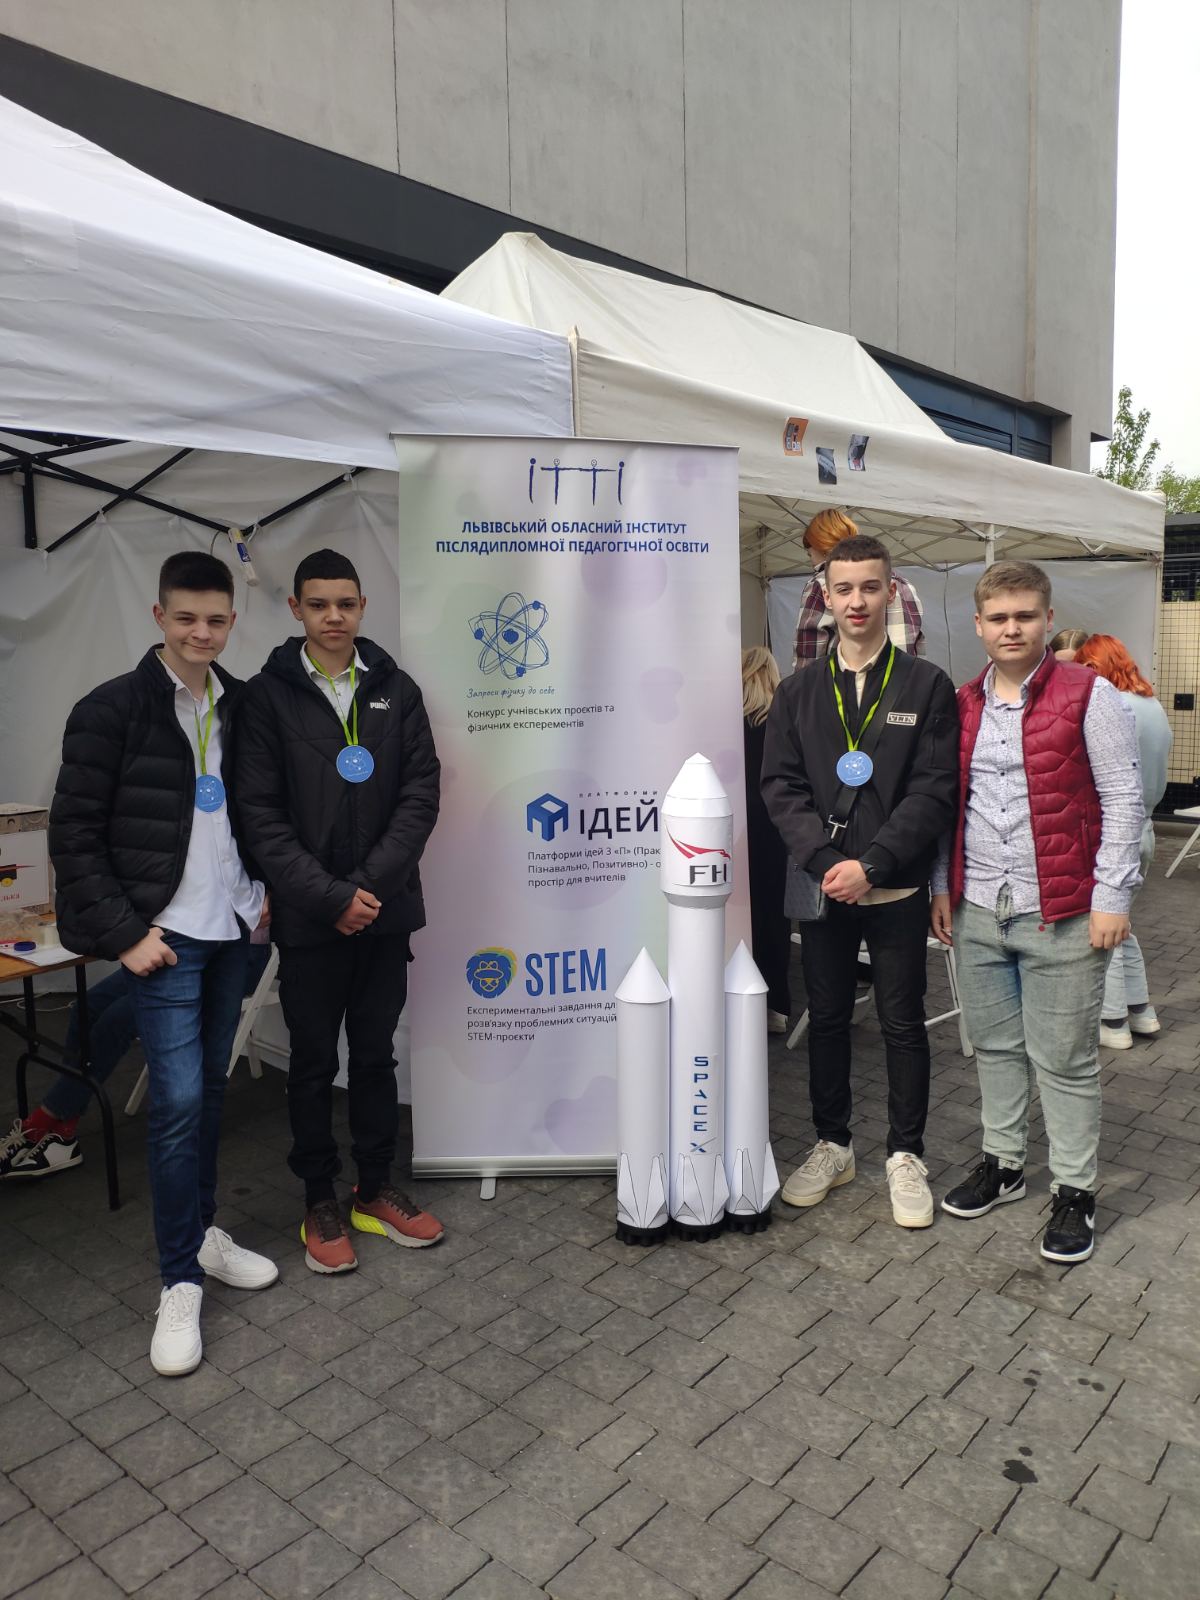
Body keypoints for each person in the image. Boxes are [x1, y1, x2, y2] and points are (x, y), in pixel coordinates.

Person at [48, 552, 278, 1377]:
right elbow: (73, 836)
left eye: (215, 620)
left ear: (232, 621)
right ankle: (179, 1278)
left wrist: (262, 893)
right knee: (177, 1104)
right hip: (164, 940)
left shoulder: (242, 705)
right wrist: (124, 935)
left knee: (208, 1091)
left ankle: (204, 1232)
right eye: (186, 618)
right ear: (159, 618)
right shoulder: (110, 709)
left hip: (231, 930)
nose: (201, 633)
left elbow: (256, 813)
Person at [236, 548, 443, 1274]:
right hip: (311, 919)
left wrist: (365, 891)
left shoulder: (396, 689)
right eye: (319, 604)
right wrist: (330, 898)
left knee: (377, 1054)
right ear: (296, 608)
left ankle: (375, 1189)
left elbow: (420, 796)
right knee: (314, 1062)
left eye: (346, 604)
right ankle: (319, 1197)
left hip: (383, 913)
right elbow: (259, 816)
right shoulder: (265, 699)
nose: (334, 617)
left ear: (362, 607)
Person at [932, 563, 1144, 1265]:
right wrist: (941, 888)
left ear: (1048, 619)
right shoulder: (962, 702)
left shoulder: (1090, 693)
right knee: (995, 1049)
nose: (1012, 628)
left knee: (1065, 1060)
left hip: (1063, 911)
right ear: (979, 626)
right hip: (979, 909)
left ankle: (1076, 1190)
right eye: (999, 618)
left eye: (1025, 615)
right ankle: (1004, 1164)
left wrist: (1112, 898)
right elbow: (949, 807)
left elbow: (1123, 799)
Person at [762, 534, 959, 1228]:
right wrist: (825, 863)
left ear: (889, 590)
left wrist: (871, 864)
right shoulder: (797, 692)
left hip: (895, 888)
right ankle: (833, 1145)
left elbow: (934, 789)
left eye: (869, 587)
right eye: (843, 589)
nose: (856, 601)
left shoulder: (927, 684)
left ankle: (906, 1155)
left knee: (903, 1025)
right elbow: (780, 786)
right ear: (825, 595)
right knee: (828, 1021)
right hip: (825, 892)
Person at [0, 940, 273, 1180]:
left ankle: (41, 1122)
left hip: (234, 956)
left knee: (114, 1022)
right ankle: (63, 1131)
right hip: (178, 946)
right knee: (87, 1007)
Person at [1074, 634, 1173, 1049]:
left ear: (1094, 668)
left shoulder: (1113, 706)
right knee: (1121, 925)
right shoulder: (1151, 704)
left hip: (1112, 832)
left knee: (1099, 929)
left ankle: (1112, 1021)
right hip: (1145, 828)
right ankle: (1140, 1012)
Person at [792, 508, 926, 664]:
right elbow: (918, 644)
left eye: (810, 555)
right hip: (906, 676)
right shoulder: (905, 586)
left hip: (847, 678)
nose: (812, 563)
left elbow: (808, 651)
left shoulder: (822, 583)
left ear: (819, 547)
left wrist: (802, 679)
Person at [741, 648, 791, 1031]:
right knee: (774, 916)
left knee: (739, 915)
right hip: (776, 830)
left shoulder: (725, 721)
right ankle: (775, 1006)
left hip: (736, 829)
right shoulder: (784, 720)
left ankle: (740, 997)